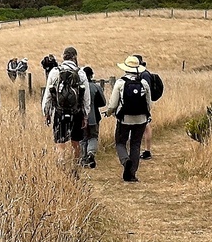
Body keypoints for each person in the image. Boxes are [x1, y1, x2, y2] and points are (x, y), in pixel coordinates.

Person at [103, 55, 153, 182]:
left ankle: (126, 161)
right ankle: (132, 174)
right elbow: (149, 104)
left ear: (125, 69)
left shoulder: (121, 83)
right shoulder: (144, 83)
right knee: (135, 144)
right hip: (141, 119)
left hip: (124, 118)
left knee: (120, 142)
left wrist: (109, 112)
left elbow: (113, 103)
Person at [42, 47, 91, 177]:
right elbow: (86, 97)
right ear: (75, 57)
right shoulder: (80, 73)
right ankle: (75, 168)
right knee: (76, 142)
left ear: (63, 57)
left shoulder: (54, 72)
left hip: (59, 111)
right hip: (76, 112)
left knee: (60, 143)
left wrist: (46, 112)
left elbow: (48, 94)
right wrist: (85, 115)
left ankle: (61, 167)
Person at [133, 53, 163, 160]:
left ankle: (147, 151)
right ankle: (145, 150)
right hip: (143, 104)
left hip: (144, 104)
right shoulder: (143, 73)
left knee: (146, 126)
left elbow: (146, 90)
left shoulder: (144, 74)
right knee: (145, 126)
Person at [81, 66, 104, 169]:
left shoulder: (78, 87)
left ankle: (83, 159)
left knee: (83, 138)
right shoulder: (96, 87)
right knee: (93, 136)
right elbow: (103, 102)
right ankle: (91, 153)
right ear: (91, 75)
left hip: (80, 117)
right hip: (94, 117)